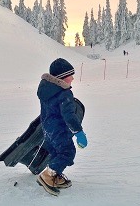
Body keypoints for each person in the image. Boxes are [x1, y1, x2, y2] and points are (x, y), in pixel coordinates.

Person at [36, 58, 88, 196]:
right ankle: (48, 175)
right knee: (67, 152)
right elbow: (69, 116)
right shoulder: (64, 93)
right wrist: (79, 133)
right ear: (61, 78)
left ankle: (55, 176)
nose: (72, 78)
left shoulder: (46, 89)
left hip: (47, 128)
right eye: (70, 76)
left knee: (56, 153)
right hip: (59, 129)